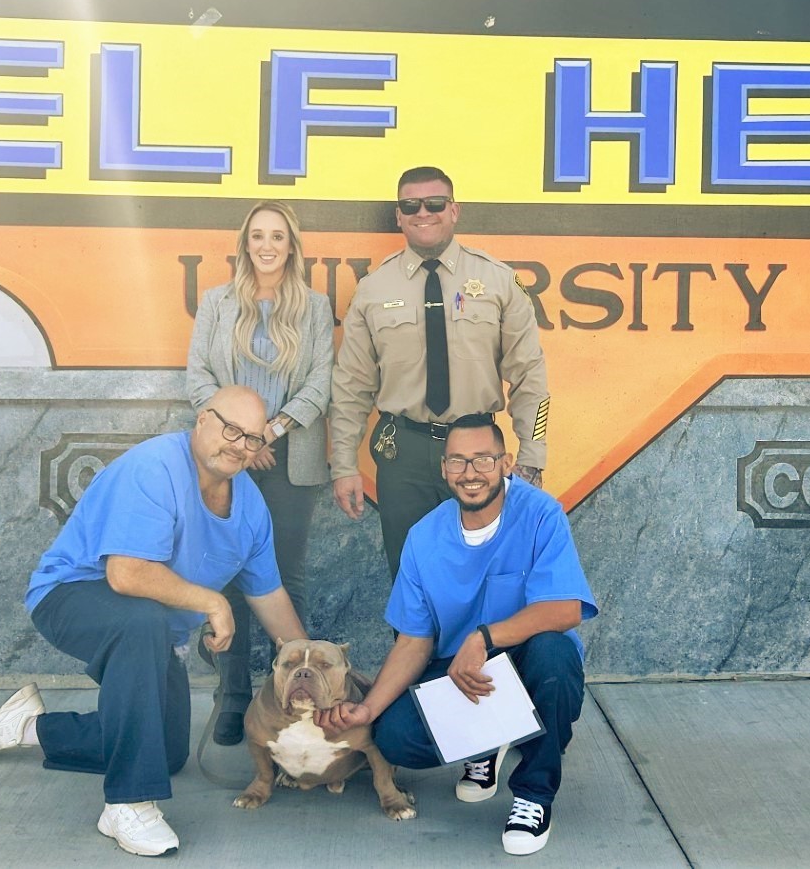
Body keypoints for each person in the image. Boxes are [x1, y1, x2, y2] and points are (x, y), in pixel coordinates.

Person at [0, 385, 306, 858]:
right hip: (71, 594)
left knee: (163, 751)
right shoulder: (154, 468)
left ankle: (30, 728)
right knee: (141, 621)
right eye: (230, 429)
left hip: (150, 625)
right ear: (202, 419)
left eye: (252, 439)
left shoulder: (251, 509)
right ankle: (126, 803)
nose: (240, 446)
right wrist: (213, 603)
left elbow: (269, 596)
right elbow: (126, 574)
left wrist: (312, 667)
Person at [316, 414, 597, 856]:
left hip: (529, 664)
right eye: (458, 462)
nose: (471, 473)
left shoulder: (541, 513)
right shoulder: (423, 537)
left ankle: (533, 795)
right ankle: (488, 739)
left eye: (483, 460)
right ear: (444, 468)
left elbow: (564, 609)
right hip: (459, 676)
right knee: (394, 735)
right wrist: (366, 709)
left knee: (555, 653)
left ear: (505, 463)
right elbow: (413, 641)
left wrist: (482, 637)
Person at [329, 166, 551, 576]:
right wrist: (343, 464)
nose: (423, 213)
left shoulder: (498, 281)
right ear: (398, 215)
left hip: (478, 452)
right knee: (409, 574)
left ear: (454, 210)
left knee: (483, 572)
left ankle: (476, 645)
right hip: (404, 453)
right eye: (410, 205)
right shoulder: (373, 289)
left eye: (435, 203)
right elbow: (350, 387)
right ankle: (413, 644)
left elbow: (530, 378)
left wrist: (533, 455)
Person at [186, 200, 333, 747]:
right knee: (228, 576)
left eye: (277, 236)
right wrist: (239, 440)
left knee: (284, 579)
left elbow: (322, 379)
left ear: (291, 245)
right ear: (244, 244)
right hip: (228, 461)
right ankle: (234, 696)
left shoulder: (315, 306)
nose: (267, 246)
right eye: (257, 236)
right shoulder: (217, 303)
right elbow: (197, 374)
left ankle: (288, 700)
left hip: (289, 461)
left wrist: (268, 433)